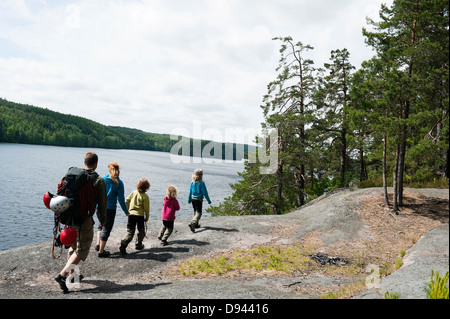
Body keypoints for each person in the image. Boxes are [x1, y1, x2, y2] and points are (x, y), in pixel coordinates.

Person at [55, 152, 107, 294]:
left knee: (73, 247)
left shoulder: (73, 173)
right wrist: (103, 220)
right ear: (96, 163)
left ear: (85, 163)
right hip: (84, 219)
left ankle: (72, 276)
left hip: (70, 216)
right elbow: (102, 203)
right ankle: (62, 275)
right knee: (82, 249)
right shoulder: (98, 180)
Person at [96, 161, 129, 258]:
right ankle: (101, 251)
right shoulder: (119, 183)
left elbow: (96, 194)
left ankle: (98, 244)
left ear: (108, 169)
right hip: (110, 209)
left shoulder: (102, 179)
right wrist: (126, 211)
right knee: (106, 229)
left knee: (101, 225)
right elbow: (121, 200)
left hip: (99, 207)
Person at [119, 178, 150, 255]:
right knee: (141, 230)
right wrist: (147, 217)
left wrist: (128, 210)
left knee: (130, 231)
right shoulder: (145, 196)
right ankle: (139, 245)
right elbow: (147, 208)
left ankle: (123, 244)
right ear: (147, 187)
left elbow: (127, 200)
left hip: (131, 215)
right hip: (140, 216)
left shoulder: (133, 192)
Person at [188, 169, 211, 233]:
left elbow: (190, 192)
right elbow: (205, 192)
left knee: (195, 211)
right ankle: (193, 222)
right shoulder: (201, 183)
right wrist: (208, 200)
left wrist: (189, 199)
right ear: (201, 175)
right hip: (198, 199)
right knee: (199, 213)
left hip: (193, 199)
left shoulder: (192, 182)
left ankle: (196, 225)